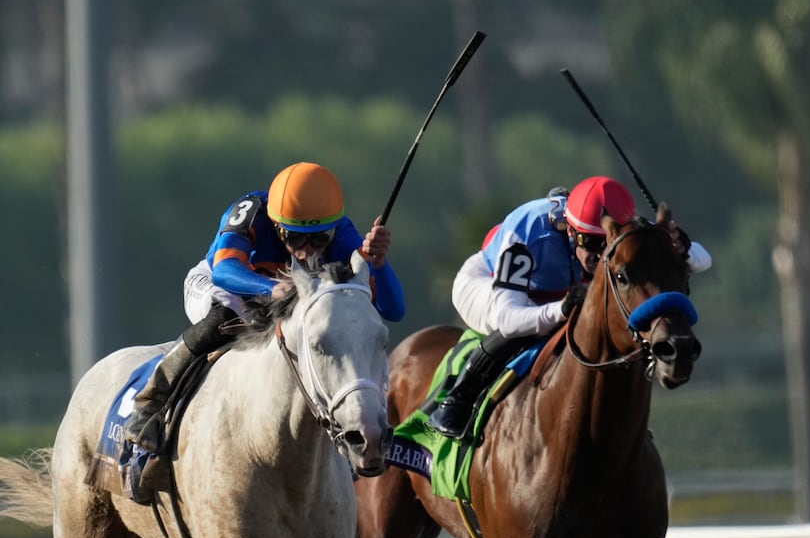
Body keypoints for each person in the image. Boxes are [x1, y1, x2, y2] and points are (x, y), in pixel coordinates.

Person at [123, 161, 405, 452]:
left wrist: (379, 264)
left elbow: (393, 310)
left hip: (289, 293)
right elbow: (224, 270)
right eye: (293, 237)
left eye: (319, 239)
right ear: (276, 225)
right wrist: (271, 288)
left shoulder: (342, 232)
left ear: (332, 230)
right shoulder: (251, 212)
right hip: (226, 285)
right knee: (227, 316)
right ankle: (150, 404)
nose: (307, 250)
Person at [427, 175, 711, 438]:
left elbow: (702, 259)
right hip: (490, 286)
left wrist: (683, 246)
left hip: (561, 292)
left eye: (606, 243)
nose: (598, 254)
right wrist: (560, 310)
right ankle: (457, 399)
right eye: (589, 242)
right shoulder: (530, 234)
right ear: (570, 230)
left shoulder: (627, 230)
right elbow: (508, 318)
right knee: (524, 331)